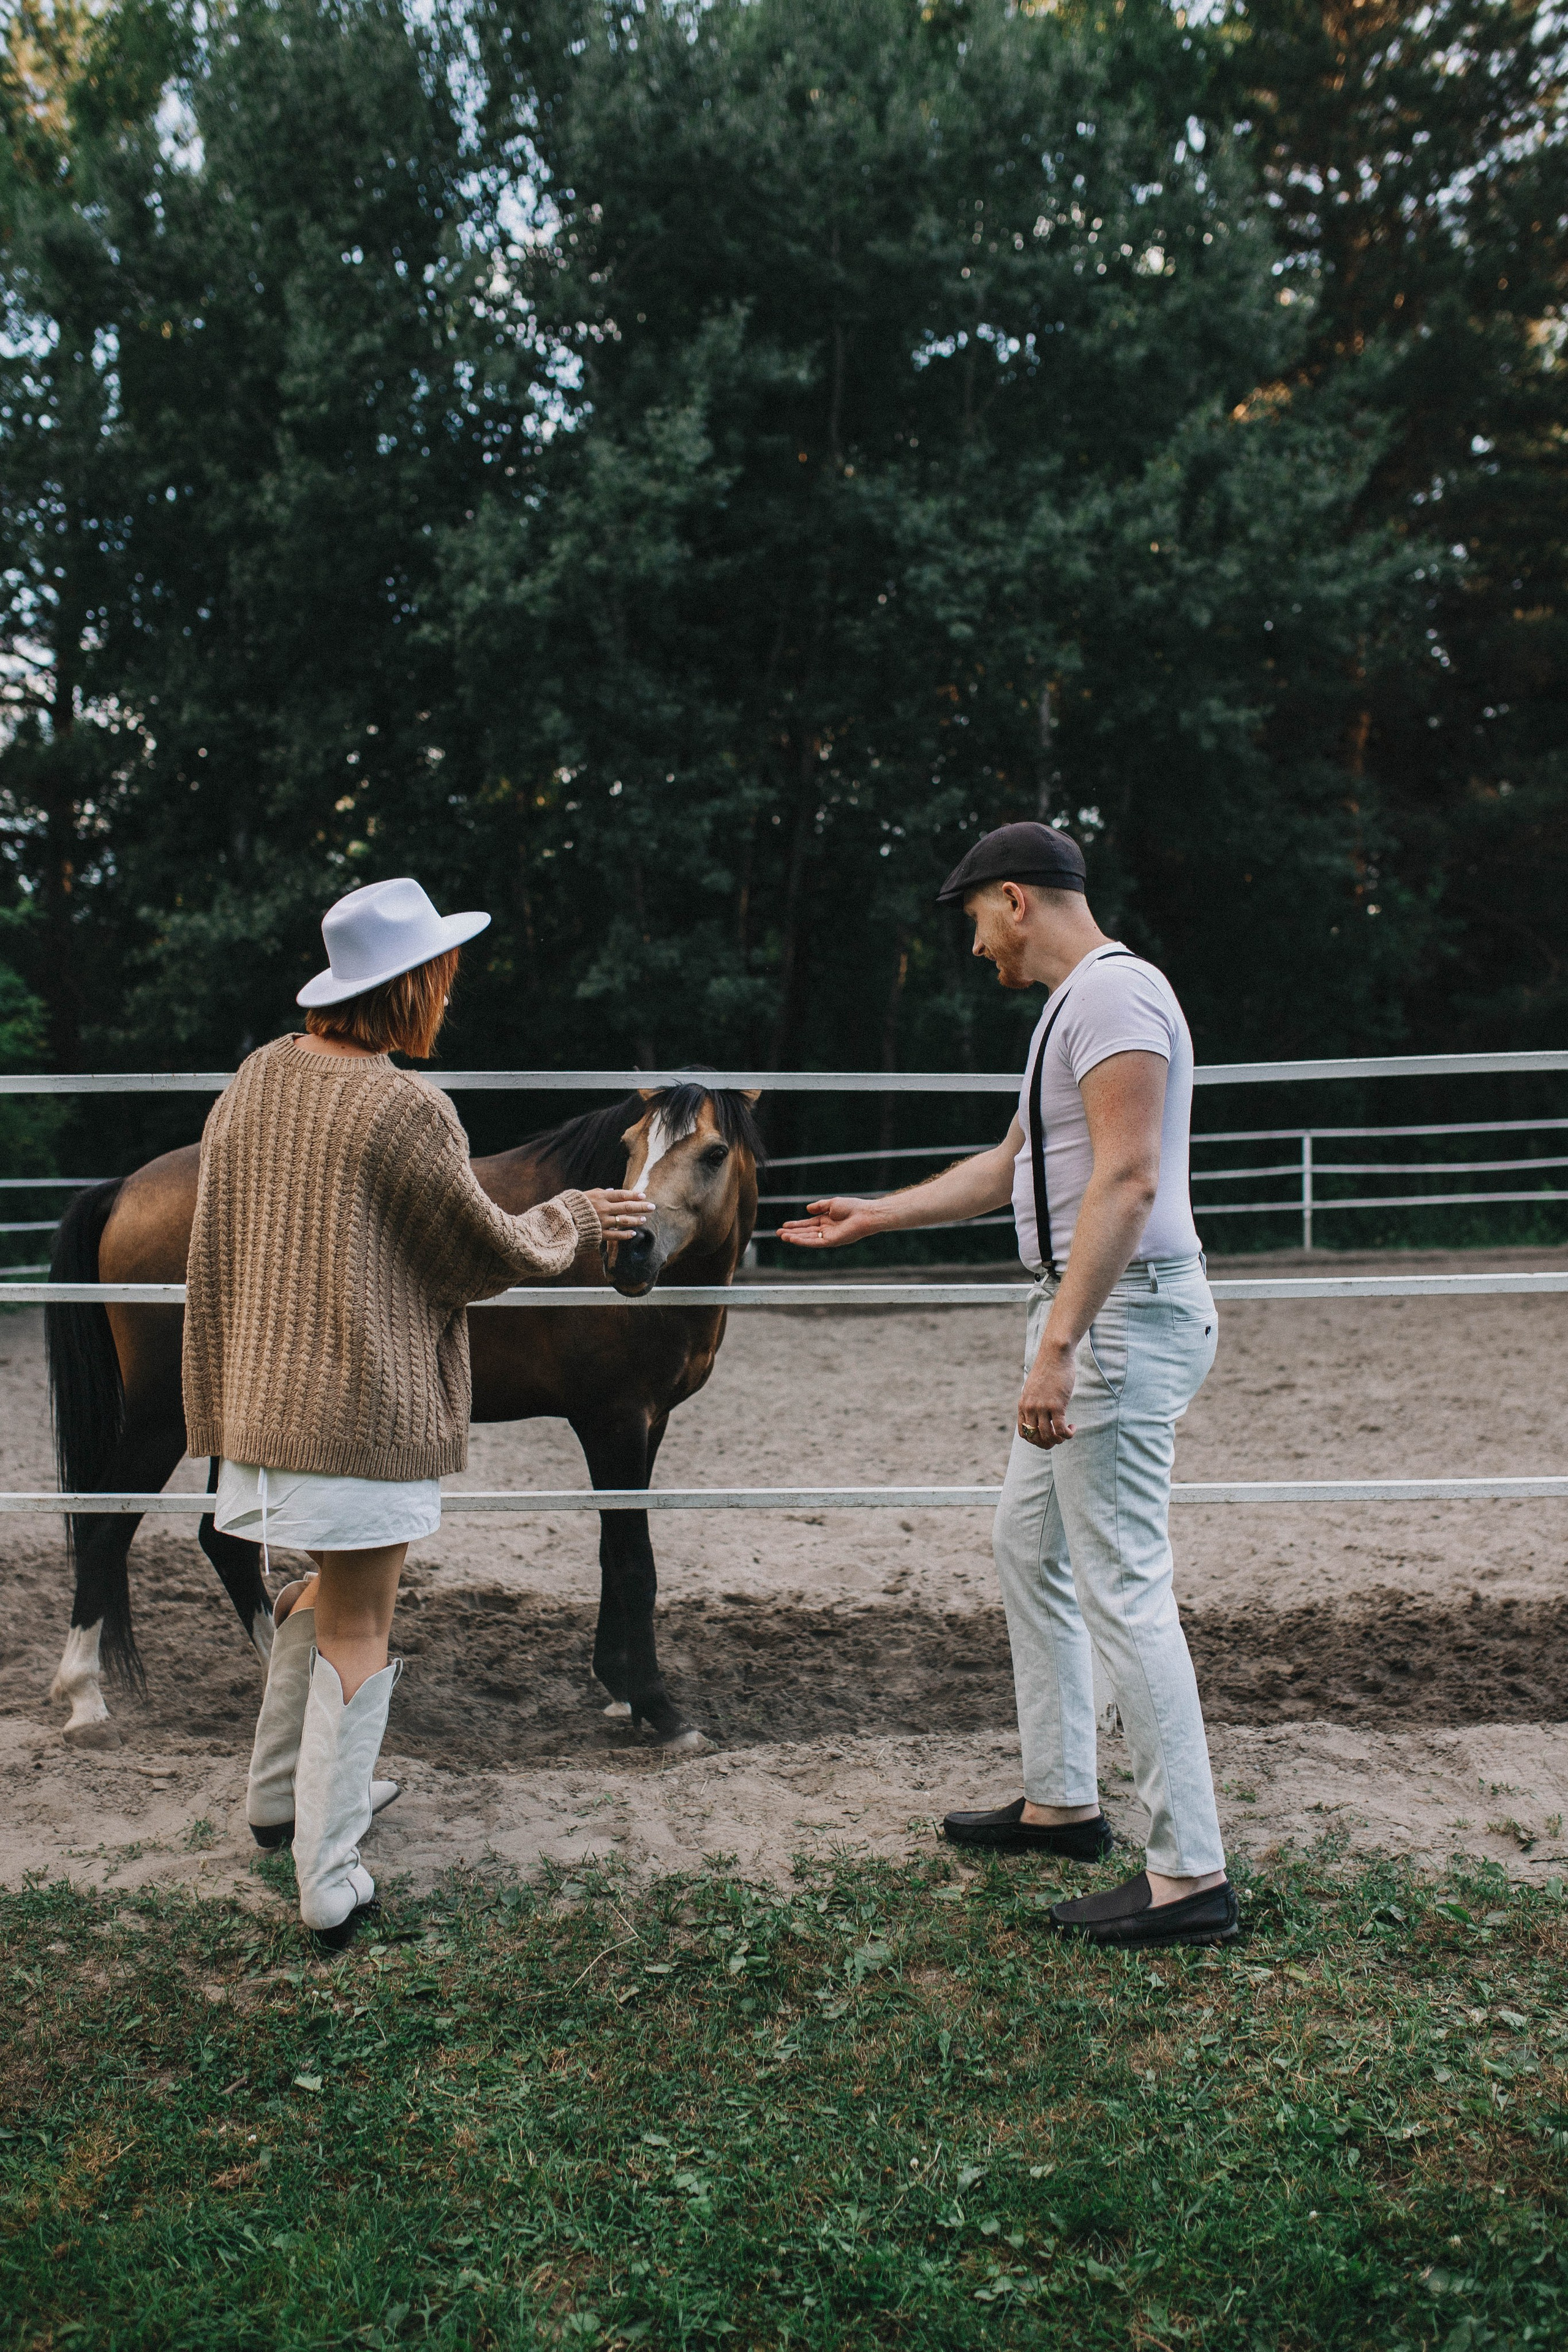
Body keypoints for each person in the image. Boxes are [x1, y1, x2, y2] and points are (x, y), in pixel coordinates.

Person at [778, 822, 1236, 1950]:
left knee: (1124, 1583)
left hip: (1116, 1321)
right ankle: (1064, 1799)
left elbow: (1126, 1185)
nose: (974, 945)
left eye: (975, 918)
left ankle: (1190, 1876)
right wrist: (874, 1214)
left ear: (1016, 898)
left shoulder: (1117, 1001)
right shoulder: (1071, 1009)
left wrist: (1060, 1343)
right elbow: (1011, 1165)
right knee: (1024, 1547)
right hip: (1098, 1317)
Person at [181, 876, 653, 1950]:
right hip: (356, 1407)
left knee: (311, 1593)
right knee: (360, 1621)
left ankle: (277, 1800)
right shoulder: (403, 1106)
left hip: (261, 1402)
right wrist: (576, 1214)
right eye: (442, 974)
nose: (451, 991)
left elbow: (221, 1238)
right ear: (409, 986)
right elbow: (476, 1255)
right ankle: (329, 1869)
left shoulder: (256, 1079)